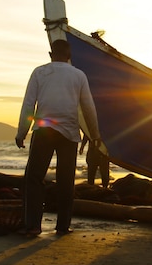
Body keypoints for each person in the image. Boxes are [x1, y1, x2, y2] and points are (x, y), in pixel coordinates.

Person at [15, 39, 101, 237]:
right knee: (66, 179)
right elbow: (88, 107)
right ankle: (63, 226)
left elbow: (29, 104)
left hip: (44, 130)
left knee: (34, 178)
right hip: (69, 133)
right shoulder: (78, 75)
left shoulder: (40, 72)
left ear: (50, 54)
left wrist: (21, 133)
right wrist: (95, 135)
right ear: (69, 56)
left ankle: (33, 226)